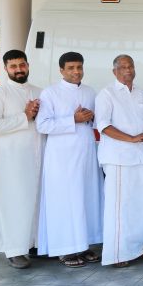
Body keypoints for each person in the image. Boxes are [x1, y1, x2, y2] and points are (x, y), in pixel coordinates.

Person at [35, 52, 105, 268]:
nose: (76, 71)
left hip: (85, 155)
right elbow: (43, 125)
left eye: (79, 67)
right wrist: (72, 119)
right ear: (61, 70)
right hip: (62, 158)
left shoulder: (89, 91)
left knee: (85, 199)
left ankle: (83, 246)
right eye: (71, 67)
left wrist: (91, 118)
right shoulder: (50, 93)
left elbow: (96, 124)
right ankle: (65, 250)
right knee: (65, 202)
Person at [0, 49, 46, 269]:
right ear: (6, 68)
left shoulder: (40, 92)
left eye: (22, 65)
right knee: (14, 203)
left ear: (28, 66)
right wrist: (24, 116)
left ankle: (34, 244)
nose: (18, 70)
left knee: (36, 201)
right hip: (11, 162)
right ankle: (14, 250)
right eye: (13, 66)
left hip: (38, 157)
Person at [95, 54, 143, 267]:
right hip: (119, 158)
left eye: (130, 66)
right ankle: (117, 255)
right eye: (122, 67)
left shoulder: (140, 92)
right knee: (120, 208)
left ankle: (136, 249)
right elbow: (102, 125)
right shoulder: (107, 94)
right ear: (115, 72)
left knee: (142, 206)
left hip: (142, 157)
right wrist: (131, 138)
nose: (127, 69)